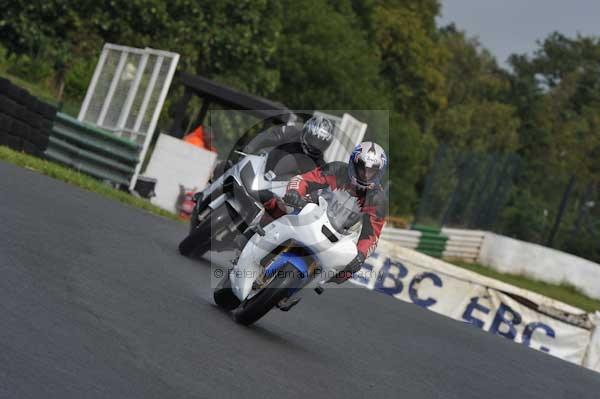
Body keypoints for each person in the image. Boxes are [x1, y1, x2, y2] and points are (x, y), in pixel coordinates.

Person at [275, 141, 388, 285]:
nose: (365, 174)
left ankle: (308, 284)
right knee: (277, 205)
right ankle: (254, 244)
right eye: (361, 168)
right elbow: (304, 180)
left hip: (339, 235)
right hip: (310, 211)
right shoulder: (337, 169)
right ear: (354, 164)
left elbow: (371, 236)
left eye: (371, 171)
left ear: (379, 173)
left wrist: (361, 255)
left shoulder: (378, 200)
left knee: (349, 269)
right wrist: (294, 192)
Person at [243, 114, 335, 177]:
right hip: (263, 169)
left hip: (280, 194)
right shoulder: (292, 132)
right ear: (306, 131)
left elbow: (322, 184)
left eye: (320, 143)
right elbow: (267, 137)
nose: (315, 145)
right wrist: (249, 148)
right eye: (313, 139)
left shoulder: (320, 164)